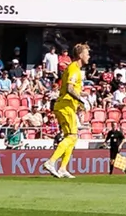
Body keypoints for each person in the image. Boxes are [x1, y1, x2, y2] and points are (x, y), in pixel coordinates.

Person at [43, 43, 90, 179]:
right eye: (87, 54)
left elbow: (71, 88)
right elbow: (69, 89)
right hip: (65, 106)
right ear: (80, 55)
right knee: (72, 136)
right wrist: (81, 100)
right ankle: (51, 162)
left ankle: (63, 168)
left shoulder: (75, 69)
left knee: (72, 138)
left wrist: (81, 95)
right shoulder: (74, 69)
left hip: (64, 106)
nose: (89, 56)